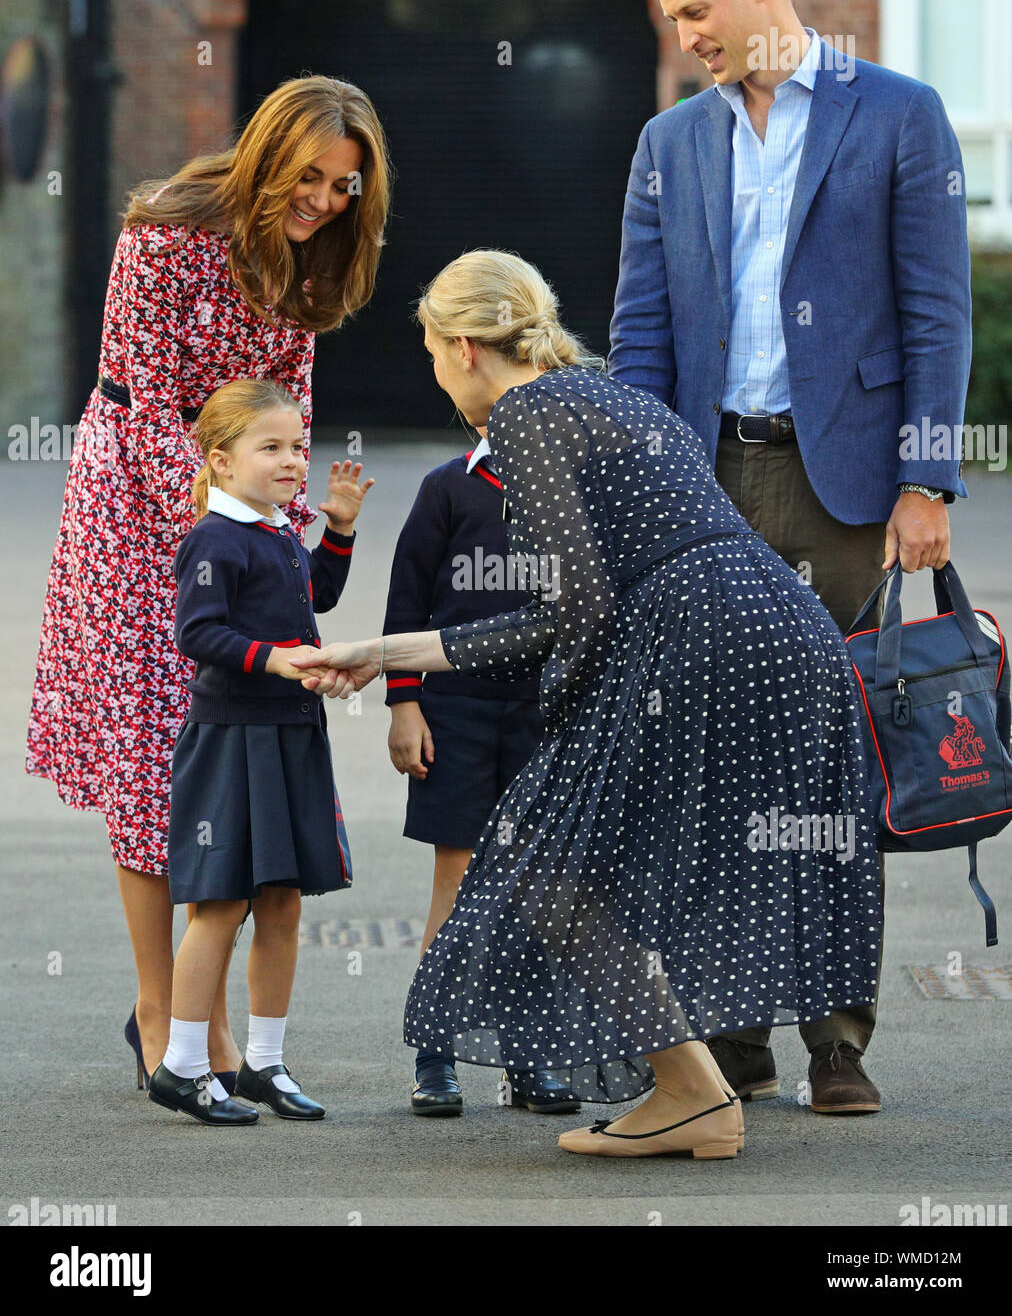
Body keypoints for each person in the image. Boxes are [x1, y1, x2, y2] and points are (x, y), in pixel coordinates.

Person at [292, 249, 882, 1160]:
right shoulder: (610, 393)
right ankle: (700, 1087)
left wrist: (390, 654)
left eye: (429, 353)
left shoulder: (525, 415)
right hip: (779, 629)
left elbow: (573, 612)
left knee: (544, 858)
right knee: (661, 856)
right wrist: (387, 654)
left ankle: (693, 1093)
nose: (436, 374)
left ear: (462, 347)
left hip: (697, 641)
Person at [608, 0, 971, 1111]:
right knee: (709, 761)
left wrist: (925, 483)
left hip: (845, 494)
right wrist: (636, 494)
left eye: (692, 11)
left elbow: (935, 313)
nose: (684, 37)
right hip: (706, 482)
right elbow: (641, 337)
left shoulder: (896, 114)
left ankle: (838, 1040)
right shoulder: (669, 140)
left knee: (829, 762)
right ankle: (732, 1031)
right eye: (671, 21)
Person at [25, 76, 391, 1091]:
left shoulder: (314, 256)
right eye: (308, 177)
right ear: (268, 151)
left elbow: (290, 404)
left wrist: (279, 528)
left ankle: (208, 1020)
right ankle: (164, 1019)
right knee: (155, 761)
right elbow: (146, 404)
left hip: (235, 507)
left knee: (227, 754)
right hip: (136, 505)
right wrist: (215, 538)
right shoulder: (164, 231)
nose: (321, 201)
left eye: (343, 186)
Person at [147, 378, 374, 1126]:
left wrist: (337, 529)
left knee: (281, 903)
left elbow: (318, 596)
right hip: (232, 742)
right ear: (219, 460)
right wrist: (275, 661)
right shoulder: (212, 538)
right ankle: (181, 1066)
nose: (291, 460)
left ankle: (264, 1065)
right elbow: (198, 634)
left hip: (291, 736)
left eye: (297, 445)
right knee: (219, 904)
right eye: (270, 447)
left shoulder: (278, 531)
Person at [382, 425, 578, 1117]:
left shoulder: (573, 488)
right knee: (457, 887)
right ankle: (435, 1057)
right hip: (455, 712)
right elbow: (406, 600)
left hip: (545, 715)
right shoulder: (447, 488)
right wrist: (404, 706)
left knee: (534, 890)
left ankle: (529, 1058)